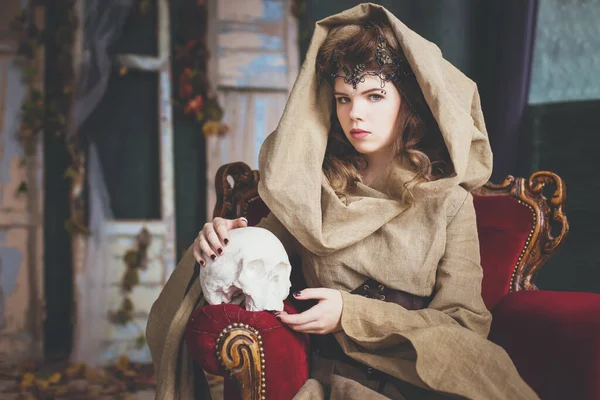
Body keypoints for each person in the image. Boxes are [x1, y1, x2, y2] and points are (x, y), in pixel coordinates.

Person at [147, 3, 539, 399]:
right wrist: (221, 240)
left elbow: (465, 327)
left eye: (373, 96)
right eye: (343, 99)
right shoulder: (311, 192)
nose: (355, 114)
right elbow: (252, 252)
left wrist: (350, 314)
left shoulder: (447, 202)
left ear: (406, 100)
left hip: (426, 381)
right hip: (334, 380)